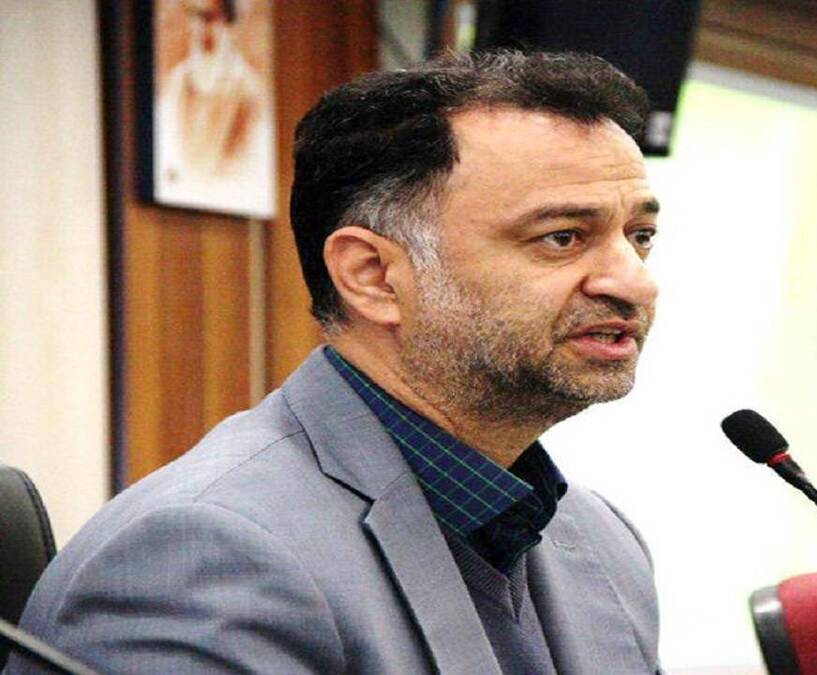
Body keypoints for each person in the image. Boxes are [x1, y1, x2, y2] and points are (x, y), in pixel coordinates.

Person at [8, 51, 661, 674]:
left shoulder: (603, 540)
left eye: (639, 236)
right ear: (373, 275)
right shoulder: (202, 556)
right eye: (561, 237)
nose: (634, 281)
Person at [154, 0, 275, 217]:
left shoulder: (248, 90)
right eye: (194, 17)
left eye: (208, 18)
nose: (198, 28)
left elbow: (245, 169)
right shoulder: (178, 81)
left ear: (228, 25)